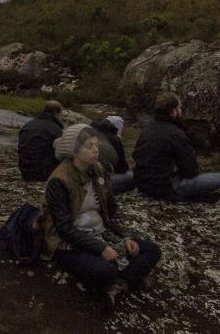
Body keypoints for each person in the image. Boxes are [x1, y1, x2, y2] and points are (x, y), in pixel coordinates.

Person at [43, 124, 161, 308]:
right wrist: (101, 248)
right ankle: (127, 279)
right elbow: (64, 228)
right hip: (69, 240)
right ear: (74, 150)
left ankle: (117, 286)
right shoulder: (59, 180)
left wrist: (125, 237)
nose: (96, 150)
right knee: (104, 269)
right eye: (89, 146)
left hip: (101, 231)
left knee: (151, 250)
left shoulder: (98, 171)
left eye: (96, 145)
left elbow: (111, 209)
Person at [133, 92, 220, 202]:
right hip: (165, 189)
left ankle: (191, 196)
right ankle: (186, 197)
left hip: (143, 185)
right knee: (219, 178)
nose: (181, 110)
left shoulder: (147, 129)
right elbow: (191, 171)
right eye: (179, 107)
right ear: (173, 111)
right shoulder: (176, 133)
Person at [17, 101, 64, 181]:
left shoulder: (28, 125)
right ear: (56, 113)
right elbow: (61, 153)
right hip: (44, 173)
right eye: (61, 114)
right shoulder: (55, 129)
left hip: (24, 170)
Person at [90, 116, 134, 194]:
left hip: (78, 179)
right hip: (96, 183)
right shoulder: (115, 139)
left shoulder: (88, 132)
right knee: (133, 176)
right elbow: (121, 169)